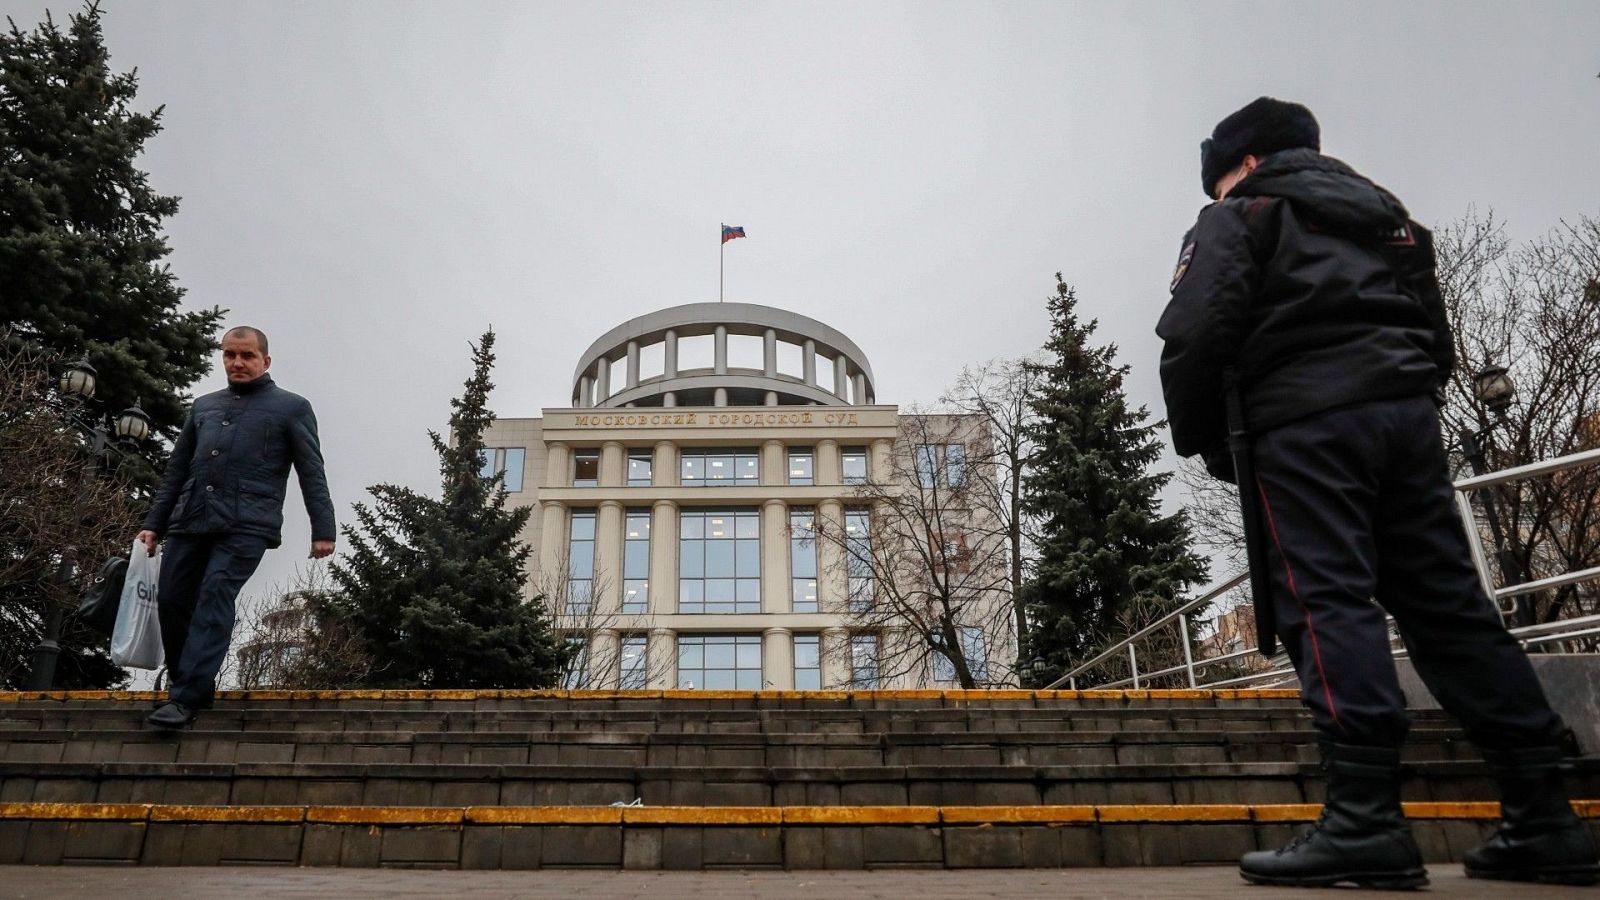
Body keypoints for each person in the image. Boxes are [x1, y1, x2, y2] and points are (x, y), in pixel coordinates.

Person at [1157, 97, 1598, 888]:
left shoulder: (1242, 214)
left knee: (1325, 599)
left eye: (1219, 181)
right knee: (1449, 608)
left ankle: (1364, 820)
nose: (1218, 194)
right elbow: (1435, 336)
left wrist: (1205, 440)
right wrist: (1406, 398)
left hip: (1302, 427)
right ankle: (1544, 815)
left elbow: (1195, 328)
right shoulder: (1388, 220)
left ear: (1246, 164)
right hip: (1404, 421)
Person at [136, 326, 336, 728]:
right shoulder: (204, 406)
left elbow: (311, 470)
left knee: (214, 594)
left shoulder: (292, 407)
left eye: (246, 355)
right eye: (229, 355)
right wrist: (153, 524)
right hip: (191, 518)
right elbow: (177, 470)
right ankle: (190, 682)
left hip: (248, 524)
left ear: (265, 360)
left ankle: (185, 697)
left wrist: (323, 528)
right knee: (172, 599)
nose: (237, 363)